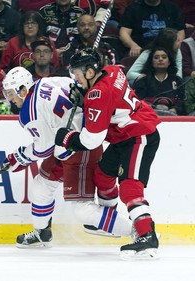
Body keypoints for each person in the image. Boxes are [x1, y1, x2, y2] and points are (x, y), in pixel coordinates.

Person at [2, 66, 133, 248]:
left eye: (10, 93)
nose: (10, 98)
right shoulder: (45, 82)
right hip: (66, 144)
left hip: (79, 147)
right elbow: (76, 85)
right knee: (42, 185)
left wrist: (20, 157)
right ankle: (42, 233)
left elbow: (43, 149)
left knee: (82, 209)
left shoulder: (28, 113)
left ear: (23, 90)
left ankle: (140, 231)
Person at [54, 48, 161, 260]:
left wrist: (67, 138)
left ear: (91, 72)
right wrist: (85, 96)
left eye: (77, 73)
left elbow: (91, 140)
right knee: (103, 175)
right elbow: (109, 98)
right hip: (124, 135)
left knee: (130, 186)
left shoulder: (97, 94)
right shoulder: (112, 70)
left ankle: (147, 235)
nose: (75, 78)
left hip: (139, 135)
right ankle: (108, 218)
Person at [119, 0, 186, 58]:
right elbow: (124, 32)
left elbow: (180, 32)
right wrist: (133, 45)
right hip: (141, 51)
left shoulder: (172, 7)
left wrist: (176, 46)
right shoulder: (133, 8)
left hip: (168, 51)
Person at [132, 46, 186, 116]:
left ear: (169, 62)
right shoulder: (142, 80)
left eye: (164, 57)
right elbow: (138, 101)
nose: (160, 59)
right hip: (148, 115)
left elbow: (181, 101)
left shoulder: (177, 80)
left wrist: (175, 109)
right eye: (156, 57)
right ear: (151, 62)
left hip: (173, 117)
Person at [38, 0, 85, 69]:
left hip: (74, 57)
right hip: (48, 56)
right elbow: (39, 37)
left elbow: (84, 38)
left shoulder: (80, 13)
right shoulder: (43, 12)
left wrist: (69, 51)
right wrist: (53, 52)